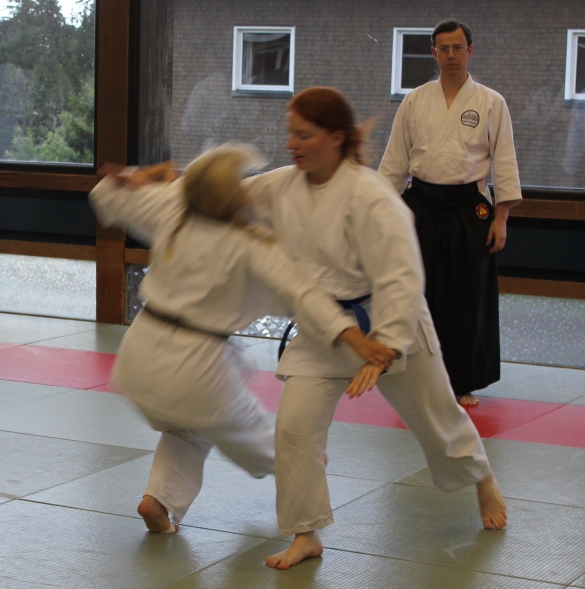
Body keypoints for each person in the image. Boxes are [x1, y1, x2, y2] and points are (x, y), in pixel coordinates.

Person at [244, 87, 507, 571]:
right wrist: (156, 186)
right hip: (326, 327)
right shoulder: (283, 186)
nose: (292, 143)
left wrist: (382, 344)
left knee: (438, 421)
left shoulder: (370, 195)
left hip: (392, 320)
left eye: (304, 135)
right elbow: (226, 193)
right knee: (295, 426)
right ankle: (306, 533)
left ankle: (482, 478)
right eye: (291, 133)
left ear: (335, 138)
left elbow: (402, 275)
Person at [89, 144, 394, 534]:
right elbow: (305, 295)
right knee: (269, 443)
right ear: (231, 197)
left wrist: (145, 174)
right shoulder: (251, 244)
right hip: (195, 369)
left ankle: (158, 500)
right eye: (240, 184)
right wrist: (356, 338)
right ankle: (306, 464)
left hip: (138, 358)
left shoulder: (171, 209)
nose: (247, 189)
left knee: (186, 429)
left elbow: (104, 194)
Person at [379, 19, 522, 406]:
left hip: (468, 207)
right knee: (417, 293)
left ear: (470, 51)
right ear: (434, 54)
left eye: (457, 48)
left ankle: (461, 381)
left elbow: (505, 163)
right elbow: (395, 162)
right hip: (421, 204)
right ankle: (414, 377)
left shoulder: (491, 102)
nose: (451, 55)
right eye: (443, 49)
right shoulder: (415, 100)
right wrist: (380, 212)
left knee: (466, 296)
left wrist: (502, 216)